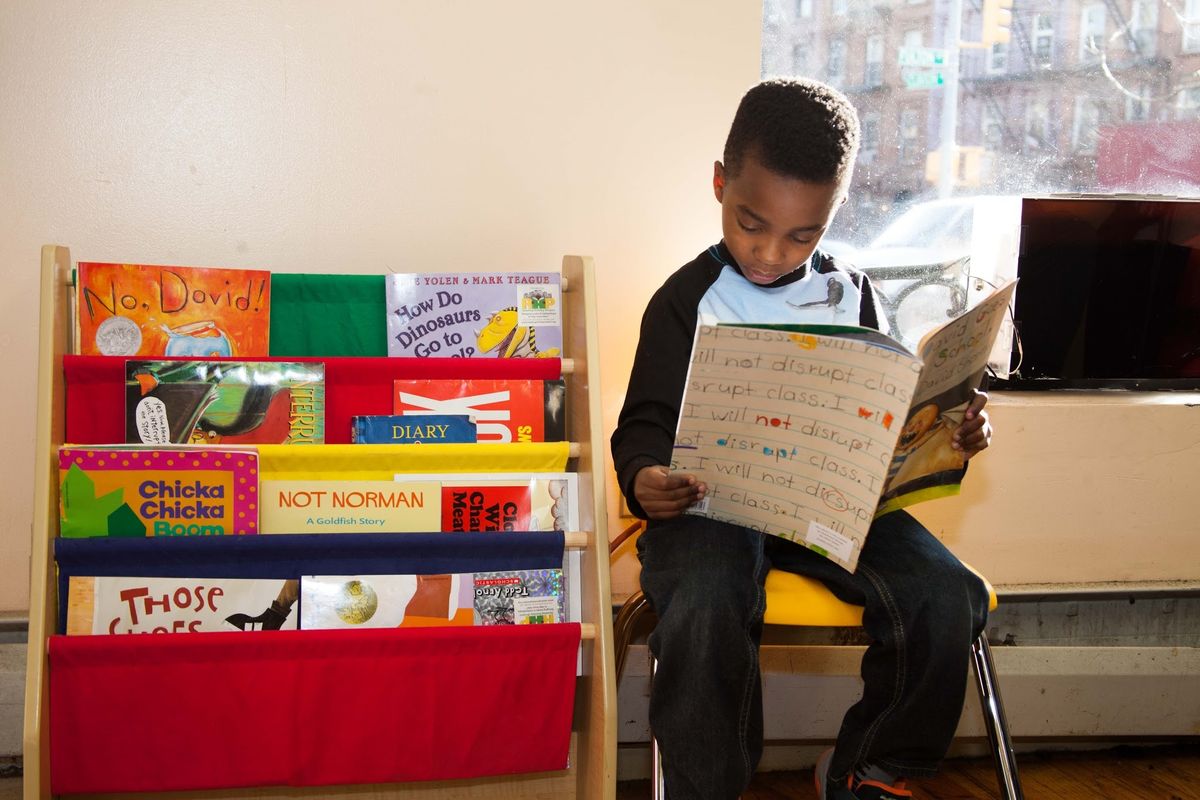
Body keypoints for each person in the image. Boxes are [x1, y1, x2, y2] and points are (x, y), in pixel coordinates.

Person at [610, 78, 994, 800]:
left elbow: (884, 407)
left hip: (828, 508)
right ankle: (707, 787)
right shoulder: (684, 299)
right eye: (750, 222)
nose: (769, 251)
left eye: (802, 233)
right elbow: (644, 423)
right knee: (705, 596)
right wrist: (645, 477)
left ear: (833, 214)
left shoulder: (853, 291)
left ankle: (867, 769)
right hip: (709, 509)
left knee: (949, 594)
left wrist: (948, 431)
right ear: (720, 184)